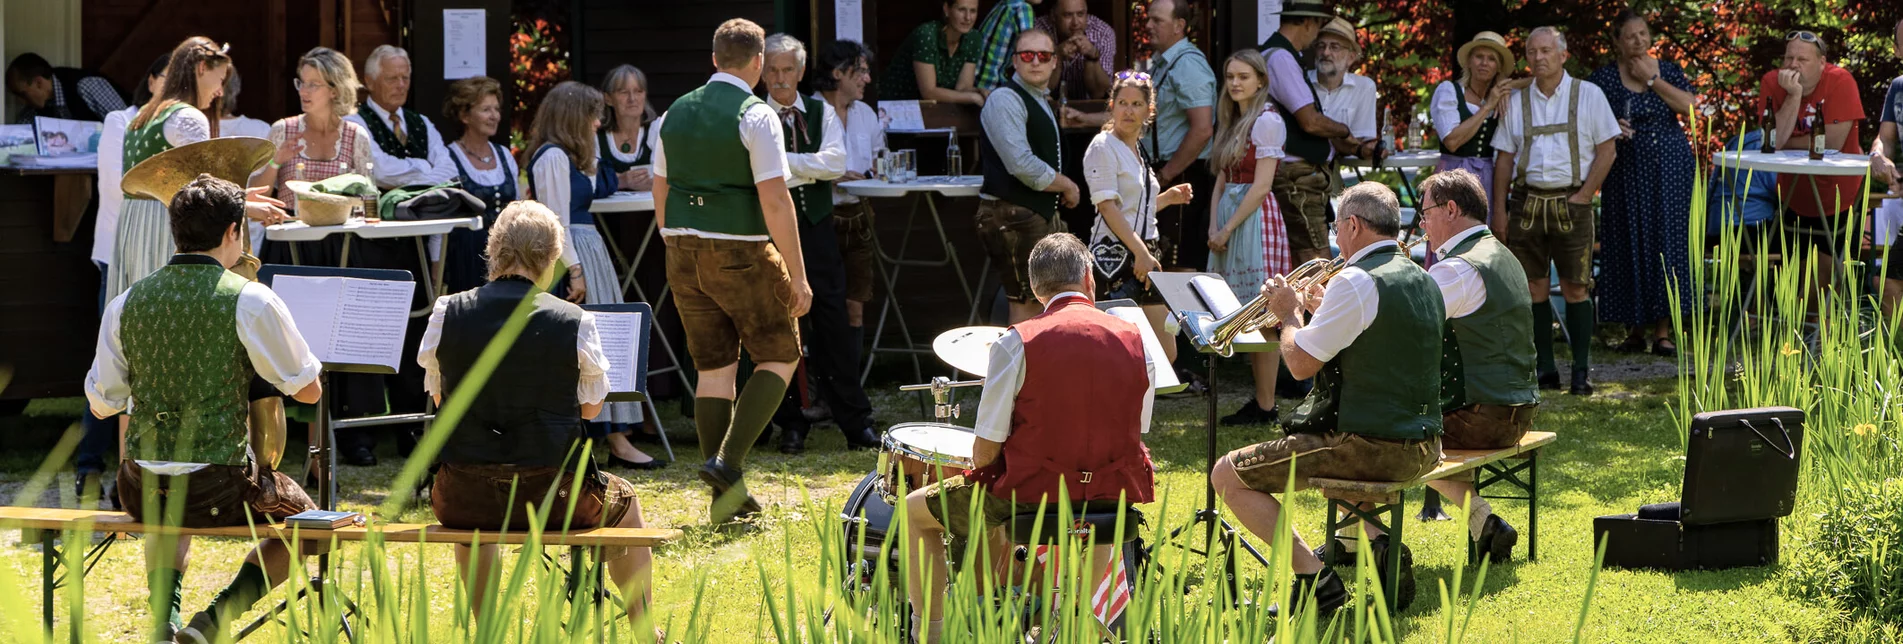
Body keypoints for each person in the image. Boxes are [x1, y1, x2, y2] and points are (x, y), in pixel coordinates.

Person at [84, 175, 325, 642]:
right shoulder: (251, 298)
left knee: (166, 507)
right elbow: (309, 391)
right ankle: (211, 623)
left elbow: (101, 405)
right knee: (313, 528)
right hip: (215, 485)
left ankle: (162, 624)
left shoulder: (126, 301)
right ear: (234, 230)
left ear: (176, 230)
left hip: (138, 483)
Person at [902, 233, 1158, 644]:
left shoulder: (1017, 340)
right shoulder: (1136, 339)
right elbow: (1137, 428)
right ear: (1090, 280)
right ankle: (1080, 629)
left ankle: (928, 635)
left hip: (1032, 497)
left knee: (914, 511)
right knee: (1096, 516)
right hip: (1112, 496)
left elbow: (985, 452)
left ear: (1037, 290)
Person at [416, 201, 656, 638]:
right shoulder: (574, 319)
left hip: (462, 494)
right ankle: (645, 632)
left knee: (476, 520)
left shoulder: (446, 311)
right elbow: (590, 409)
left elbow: (438, 395)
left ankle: (486, 629)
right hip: (553, 496)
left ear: (494, 252)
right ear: (550, 259)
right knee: (625, 501)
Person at [1210, 182, 1443, 616]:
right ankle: (1380, 547)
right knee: (1343, 455)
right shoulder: (1422, 277)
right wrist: (1321, 314)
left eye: (1337, 226)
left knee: (1226, 475)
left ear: (1353, 224)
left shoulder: (1355, 281)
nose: (1336, 237)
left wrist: (1289, 315)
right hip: (1426, 445)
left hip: (1370, 447)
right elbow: (1379, 347)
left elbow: (1299, 365)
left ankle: (1314, 577)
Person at [653, 18, 813, 523]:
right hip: (740, 251)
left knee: (713, 368)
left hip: (681, 249)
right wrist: (799, 273)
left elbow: (660, 187)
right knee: (781, 353)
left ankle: (724, 499)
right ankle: (729, 462)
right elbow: (775, 198)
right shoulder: (757, 115)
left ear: (715, 59)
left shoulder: (673, 112)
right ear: (759, 63)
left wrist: (673, 237)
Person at [250, 47, 381, 470]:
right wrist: (277, 160)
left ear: (335, 89)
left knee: (349, 340)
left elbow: (367, 193)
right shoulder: (283, 130)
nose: (304, 91)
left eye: (313, 84)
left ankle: (356, 435)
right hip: (293, 246)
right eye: (300, 82)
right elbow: (260, 192)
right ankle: (275, 437)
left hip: (342, 246)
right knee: (286, 341)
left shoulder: (355, 136)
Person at [760, 34, 880, 454]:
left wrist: (781, 166)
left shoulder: (819, 110)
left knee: (833, 323)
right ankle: (791, 422)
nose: (779, 78)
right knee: (783, 325)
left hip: (817, 228)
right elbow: (762, 171)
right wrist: (809, 170)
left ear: (799, 71)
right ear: (761, 71)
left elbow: (836, 163)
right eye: (772, 69)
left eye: (787, 69)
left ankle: (854, 420)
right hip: (771, 232)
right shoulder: (755, 115)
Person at [527, 81, 654, 463]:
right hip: (571, 253)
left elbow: (597, 183)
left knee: (602, 343)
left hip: (587, 248)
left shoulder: (569, 156)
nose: (598, 123)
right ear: (573, 118)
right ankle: (601, 438)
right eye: (592, 116)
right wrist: (575, 270)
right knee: (583, 345)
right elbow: (556, 221)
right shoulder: (551, 158)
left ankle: (616, 436)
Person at [1489, 26, 1620, 397]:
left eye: (1546, 50)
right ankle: (1545, 369)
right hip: (1526, 201)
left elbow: (1608, 149)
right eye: (1531, 52)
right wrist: (1499, 211)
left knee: (1577, 286)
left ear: (1563, 54)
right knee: (1534, 287)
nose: (1538, 58)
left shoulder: (1589, 95)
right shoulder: (1516, 100)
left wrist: (1584, 195)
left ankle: (1581, 371)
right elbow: (1504, 159)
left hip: (1571, 202)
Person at [1416, 169, 1538, 564]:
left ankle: (1357, 540)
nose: (1423, 224)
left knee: (1378, 430)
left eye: (1426, 213)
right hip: (1518, 412)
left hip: (1480, 417)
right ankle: (1482, 523)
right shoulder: (1502, 255)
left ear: (1450, 209)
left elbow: (1404, 334)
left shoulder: (1454, 268)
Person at [108, 37, 284, 304]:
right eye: (221, 79)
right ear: (202, 67)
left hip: (136, 229)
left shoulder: (143, 115)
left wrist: (242, 198)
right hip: (165, 231)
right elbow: (201, 198)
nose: (221, 92)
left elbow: (181, 182)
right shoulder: (188, 118)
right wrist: (244, 208)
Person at [76, 53, 169, 501]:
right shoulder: (121, 120)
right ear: (150, 79)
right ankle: (90, 465)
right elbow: (121, 184)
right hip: (120, 253)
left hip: (163, 255)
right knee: (112, 361)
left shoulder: (183, 121)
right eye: (168, 80)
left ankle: (142, 471)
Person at [1589, 10, 1697, 358]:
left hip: (1670, 169)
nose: (1638, 40)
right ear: (1617, 42)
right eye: (1630, 36)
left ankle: (1663, 331)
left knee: (1668, 242)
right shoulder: (1603, 79)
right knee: (1627, 240)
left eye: (1643, 34)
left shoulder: (1667, 70)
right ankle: (1633, 329)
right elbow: (1588, 124)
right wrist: (1610, 129)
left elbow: (1693, 109)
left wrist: (1651, 81)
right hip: (1624, 169)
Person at [1207, 50, 1292, 427]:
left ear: (1260, 80)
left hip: (1254, 220)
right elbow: (1222, 180)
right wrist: (1213, 225)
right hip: (1230, 213)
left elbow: (1261, 187)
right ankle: (1261, 401)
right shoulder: (1233, 120)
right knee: (1244, 312)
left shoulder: (1267, 121)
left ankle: (1266, 403)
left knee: (1264, 314)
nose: (1236, 83)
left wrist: (1226, 228)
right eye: (1230, 77)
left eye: (1244, 76)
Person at [1083, 71, 1191, 360]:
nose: (1128, 110)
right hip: (1114, 255)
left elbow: (1134, 209)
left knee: (1165, 352)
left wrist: (1167, 198)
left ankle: (1137, 404)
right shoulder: (1103, 146)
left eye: (1136, 104)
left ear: (1149, 110)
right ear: (1112, 105)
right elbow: (1107, 208)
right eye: (1122, 102)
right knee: (1115, 351)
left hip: (1146, 250)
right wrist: (1140, 252)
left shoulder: (1137, 148)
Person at [978, 27, 1082, 324]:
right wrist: (1067, 185)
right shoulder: (1005, 99)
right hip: (1011, 216)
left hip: (1029, 214)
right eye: (1027, 55)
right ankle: (1018, 370)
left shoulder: (1038, 98)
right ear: (1014, 61)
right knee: (1026, 303)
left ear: (1053, 62)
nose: (1035, 61)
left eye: (1043, 55)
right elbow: (1021, 164)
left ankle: (1033, 369)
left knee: (1042, 302)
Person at [1760, 30, 1866, 287]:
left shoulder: (1840, 80)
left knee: (1832, 278)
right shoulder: (1773, 83)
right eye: (1788, 58)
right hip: (1793, 196)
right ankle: (1791, 325)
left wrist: (1786, 143)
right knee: (1791, 277)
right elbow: (1771, 142)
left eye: (1802, 60)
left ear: (1822, 63)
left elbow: (1831, 143)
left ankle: (1830, 326)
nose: (1793, 65)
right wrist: (1794, 95)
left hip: (1839, 196)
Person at [1260, 0, 1352, 265]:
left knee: (1302, 262)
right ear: (1309, 22)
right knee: (1316, 262)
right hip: (1297, 177)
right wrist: (1344, 131)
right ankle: (1321, 308)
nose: (1317, 35)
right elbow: (1310, 121)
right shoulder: (1280, 57)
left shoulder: (1274, 54)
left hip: (1290, 175)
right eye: (1319, 26)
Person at [818, 40, 885, 346]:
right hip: (821, 216)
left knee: (855, 304)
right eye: (860, 72)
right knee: (823, 305)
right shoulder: (810, 110)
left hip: (860, 217)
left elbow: (879, 159)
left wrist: (875, 171)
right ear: (837, 73)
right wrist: (829, 175)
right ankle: (824, 383)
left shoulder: (866, 114)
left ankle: (851, 384)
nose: (866, 79)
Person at [1143, 0, 1217, 271]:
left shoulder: (1187, 65)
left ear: (1179, 26)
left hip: (1184, 175)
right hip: (1172, 173)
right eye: (1149, 19)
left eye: (1157, 21)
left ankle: (1181, 316)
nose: (1148, 26)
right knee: (1164, 263)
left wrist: (1165, 175)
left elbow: (1202, 130)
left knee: (1177, 266)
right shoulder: (1166, 62)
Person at [440, 76, 523, 293]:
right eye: (486, 109)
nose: (494, 116)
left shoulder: (504, 155)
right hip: (467, 258)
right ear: (465, 115)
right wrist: (436, 268)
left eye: (496, 109)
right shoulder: (448, 158)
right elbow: (438, 221)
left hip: (508, 259)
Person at [346, 45, 456, 188]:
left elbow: (450, 169)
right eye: (392, 79)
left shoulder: (421, 122)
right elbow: (380, 171)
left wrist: (420, 183)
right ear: (369, 82)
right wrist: (424, 166)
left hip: (425, 208)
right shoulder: (355, 122)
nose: (401, 85)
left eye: (405, 78)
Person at [1432, 32, 1514, 206]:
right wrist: (1487, 107)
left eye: (1491, 59)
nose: (1484, 63)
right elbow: (1452, 141)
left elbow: (1536, 80)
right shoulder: (1449, 91)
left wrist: (1507, 85)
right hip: (1451, 176)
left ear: (1498, 67)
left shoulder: (1500, 96)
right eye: (1479, 57)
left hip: (1486, 178)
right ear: (1469, 62)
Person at [882, 0, 986, 105]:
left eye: (973, 11)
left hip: (935, 110)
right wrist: (973, 98)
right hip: (895, 106)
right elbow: (928, 92)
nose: (968, 18)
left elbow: (963, 88)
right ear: (946, 9)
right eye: (961, 10)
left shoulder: (974, 38)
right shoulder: (927, 35)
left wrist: (980, 92)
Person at [1308, 18, 1380, 160]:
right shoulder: (1300, 82)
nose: (1326, 52)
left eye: (1334, 47)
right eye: (1321, 46)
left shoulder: (1364, 87)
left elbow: (1361, 142)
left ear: (1351, 58)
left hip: (1341, 170)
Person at [5, 52, 126, 123]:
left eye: (22, 94)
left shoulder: (85, 85)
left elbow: (127, 127)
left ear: (39, 83)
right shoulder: (35, 108)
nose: (20, 101)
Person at [1875, 18, 1903, 315]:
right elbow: (1885, 138)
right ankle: (1895, 358)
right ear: (1897, 50)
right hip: (1900, 198)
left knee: (1890, 280)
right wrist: (1878, 156)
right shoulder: (1898, 88)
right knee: (1887, 280)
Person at [1034, 0, 1115, 101]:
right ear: (1053, 16)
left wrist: (1092, 56)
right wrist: (1056, 56)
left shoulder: (1102, 33)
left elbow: (1101, 94)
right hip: (1047, 108)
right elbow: (1037, 90)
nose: (1075, 23)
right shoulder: (1037, 32)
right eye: (1068, 15)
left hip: (1089, 111)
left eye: (1080, 14)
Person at [598, 64, 659, 191]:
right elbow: (588, 179)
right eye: (623, 92)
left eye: (638, 91)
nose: (632, 99)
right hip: (608, 211)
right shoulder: (596, 136)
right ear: (608, 99)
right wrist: (620, 181)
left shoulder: (657, 129)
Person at [972, 0, 1043, 90]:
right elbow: (1031, 54)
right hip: (991, 88)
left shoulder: (1004, 4)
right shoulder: (1021, 8)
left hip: (976, 82)